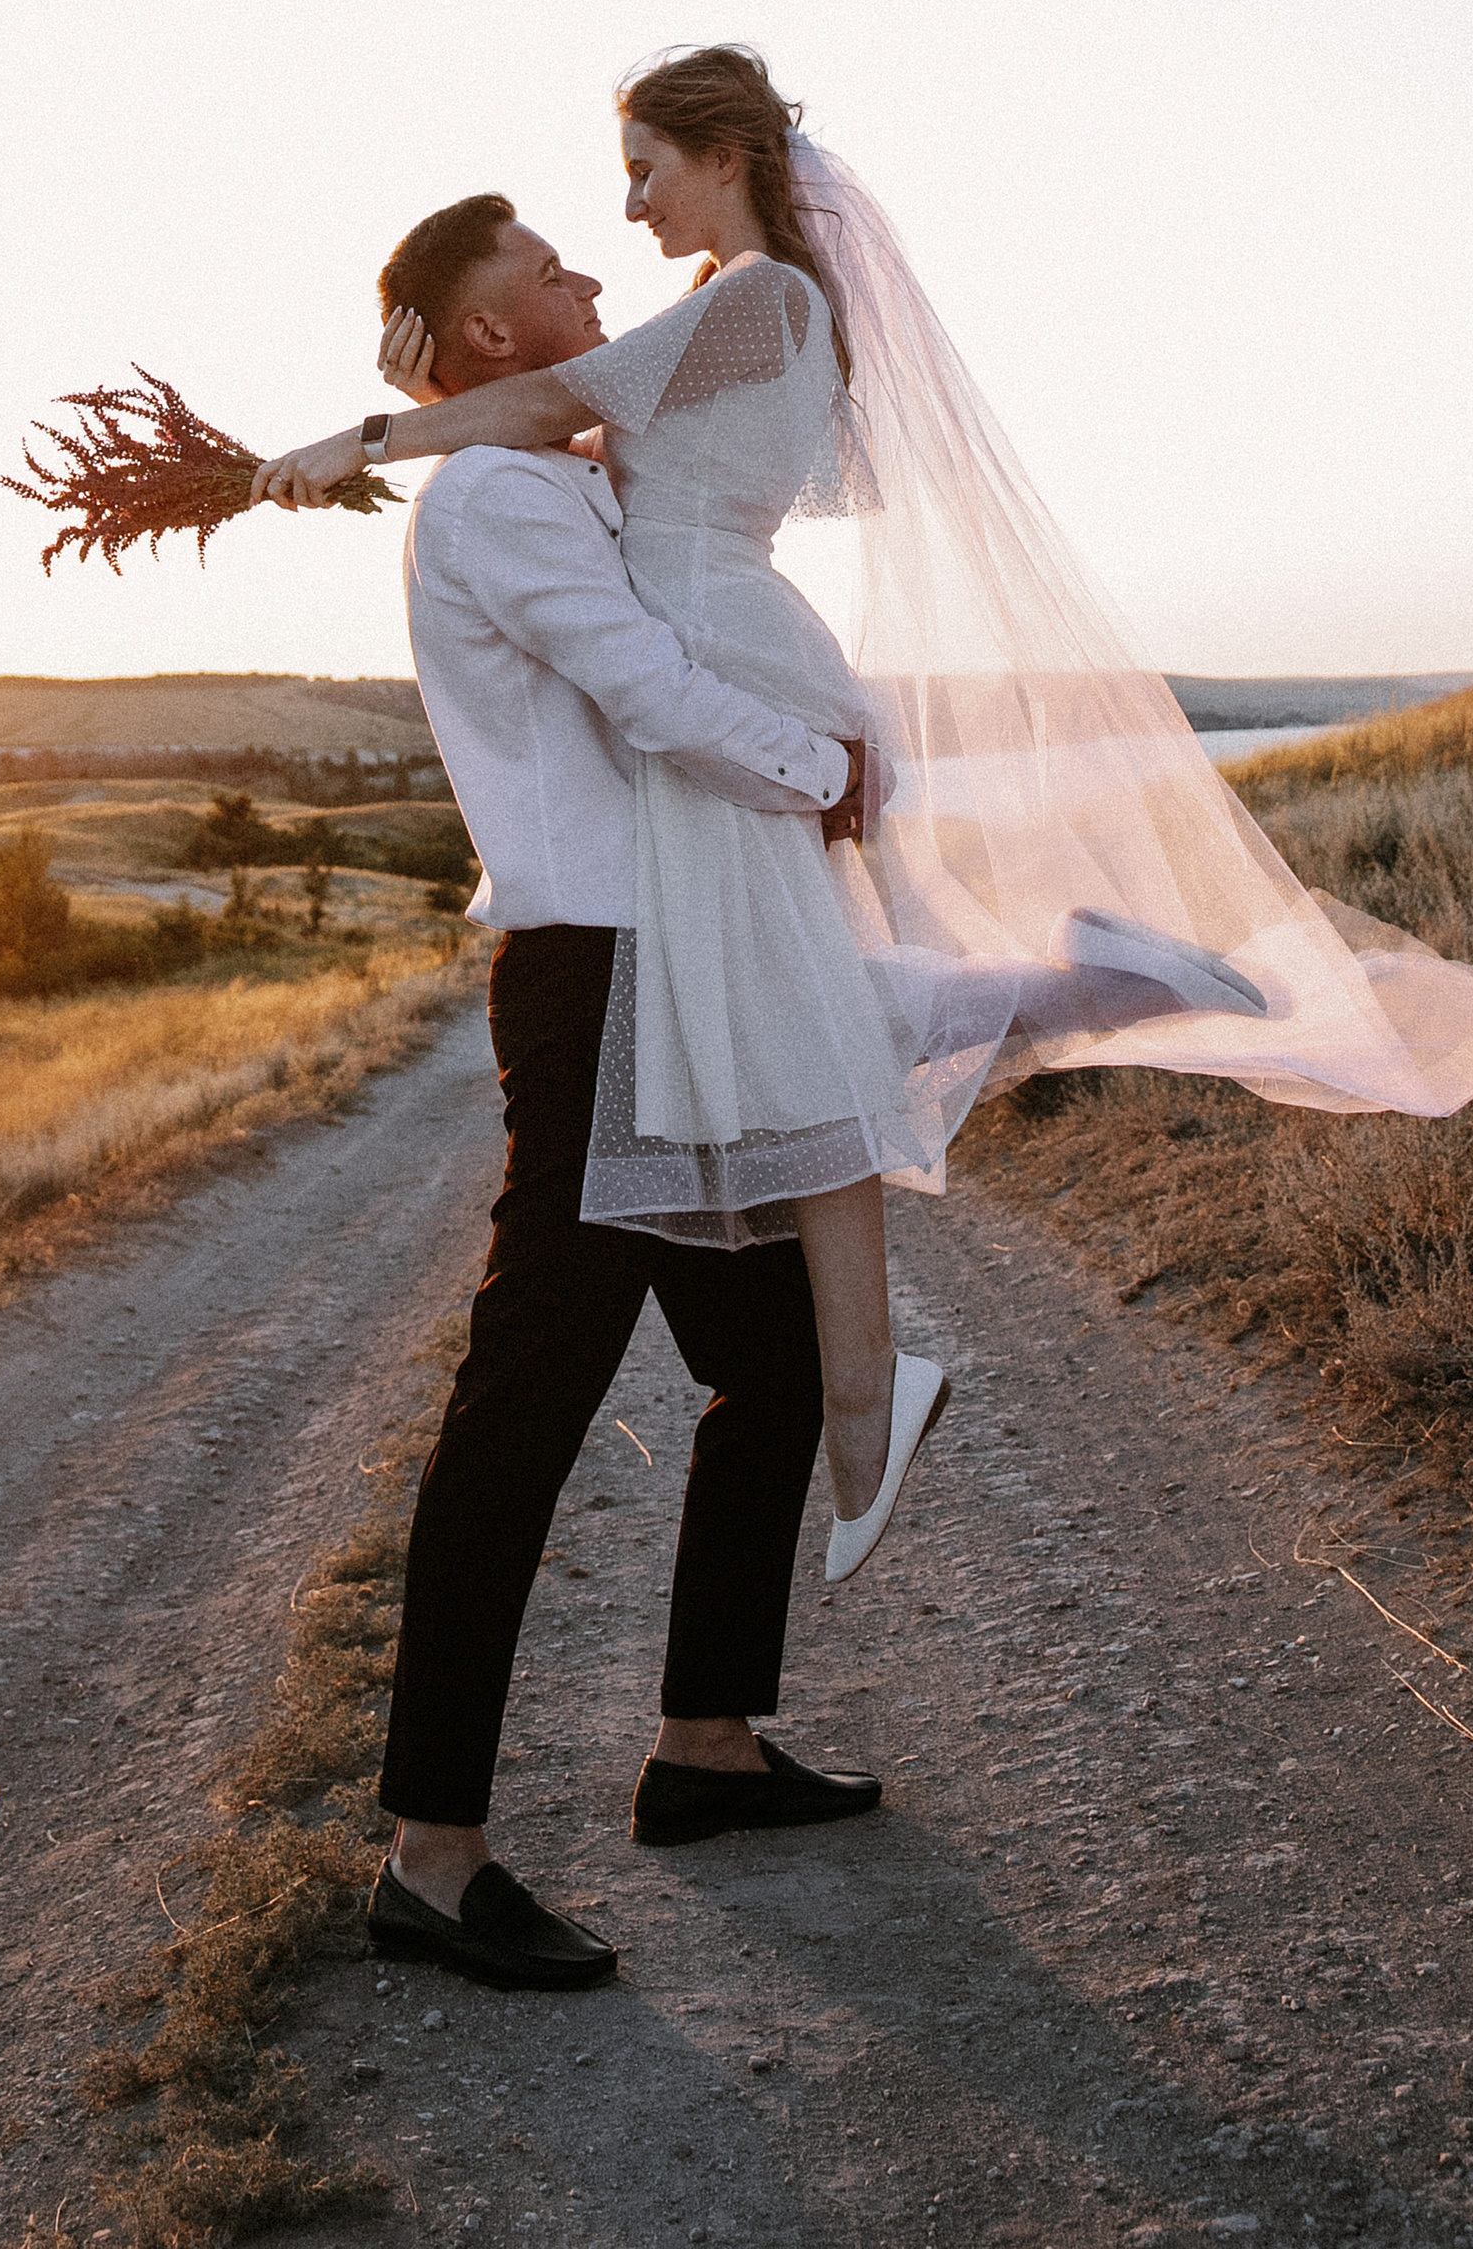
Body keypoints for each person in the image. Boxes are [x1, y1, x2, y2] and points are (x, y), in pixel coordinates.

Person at [255, 50, 1473, 1597]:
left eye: (644, 169)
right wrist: (435, 401)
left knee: (799, 1034)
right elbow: (572, 428)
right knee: (799, 1020)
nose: (624, 207)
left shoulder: (753, 296)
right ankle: (1002, 1143)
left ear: (722, 157)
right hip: (736, 632)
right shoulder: (761, 311)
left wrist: (371, 436)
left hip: (726, 652)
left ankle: (885, 1376)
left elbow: (550, 400)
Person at [346, 191, 890, 1998]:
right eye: (553, 274)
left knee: (777, 1361)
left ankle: (707, 1748)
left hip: (666, 977)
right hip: (594, 994)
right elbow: (652, 693)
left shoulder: (552, 463)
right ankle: (432, 1856)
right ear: (488, 330)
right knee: (526, 1405)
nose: (594, 278)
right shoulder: (501, 498)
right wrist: (820, 768)